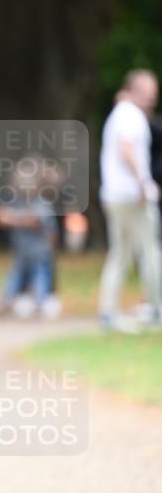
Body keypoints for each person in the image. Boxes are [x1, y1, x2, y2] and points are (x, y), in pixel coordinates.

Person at [98, 69, 162, 331]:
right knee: (150, 251)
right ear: (134, 90)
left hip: (114, 195)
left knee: (120, 254)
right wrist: (143, 184)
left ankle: (108, 311)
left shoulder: (119, 114)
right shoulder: (130, 116)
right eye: (148, 92)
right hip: (132, 196)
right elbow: (126, 150)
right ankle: (157, 307)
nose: (152, 97)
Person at [0, 156, 61, 319]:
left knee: (40, 277)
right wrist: (16, 219)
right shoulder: (15, 201)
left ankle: (40, 303)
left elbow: (37, 221)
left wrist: (13, 219)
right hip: (21, 250)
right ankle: (6, 301)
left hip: (40, 251)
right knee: (16, 277)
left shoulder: (41, 203)